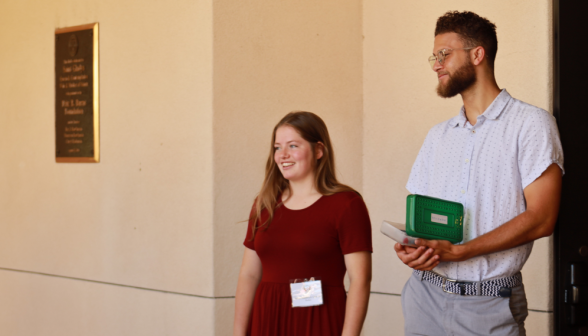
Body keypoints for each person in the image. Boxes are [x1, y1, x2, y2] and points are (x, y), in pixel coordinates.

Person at [395, 11, 564, 336]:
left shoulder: (531, 124)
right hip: (424, 297)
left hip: (490, 303)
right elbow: (426, 217)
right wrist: (415, 245)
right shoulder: (438, 136)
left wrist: (461, 252)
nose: (435, 64)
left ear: (477, 54)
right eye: (434, 56)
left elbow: (543, 219)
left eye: (444, 54)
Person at [233, 111, 372, 336]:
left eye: (293, 146)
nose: (283, 155)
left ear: (318, 150)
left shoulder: (347, 204)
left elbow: (360, 279)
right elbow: (249, 274)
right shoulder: (265, 204)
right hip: (267, 320)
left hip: (318, 321)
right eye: (277, 147)